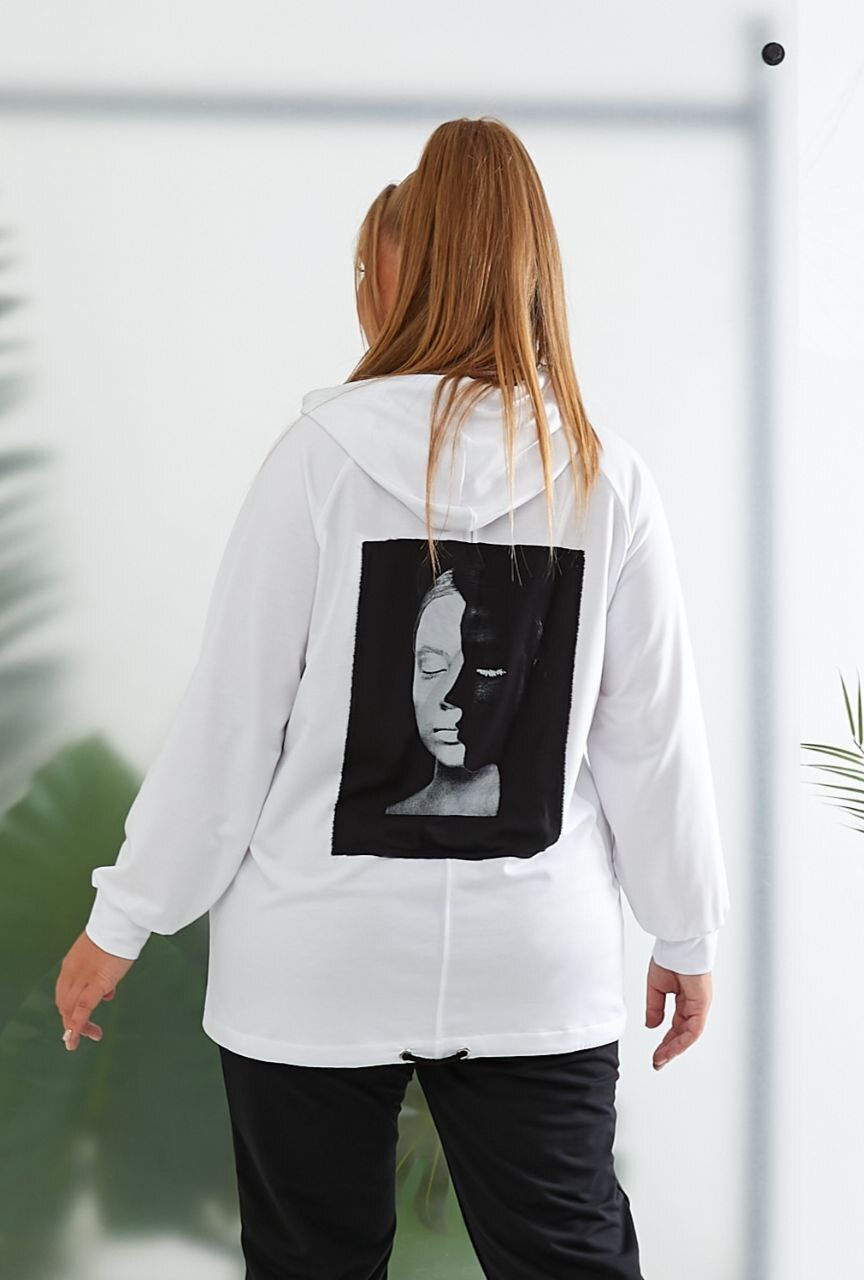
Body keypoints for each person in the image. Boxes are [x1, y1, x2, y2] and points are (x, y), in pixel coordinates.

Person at [55, 116, 731, 1279]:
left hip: (314, 954)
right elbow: (651, 738)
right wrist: (687, 927)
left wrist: (123, 918)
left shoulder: (315, 460)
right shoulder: (605, 477)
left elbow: (233, 724)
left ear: (394, 275)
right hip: (533, 958)